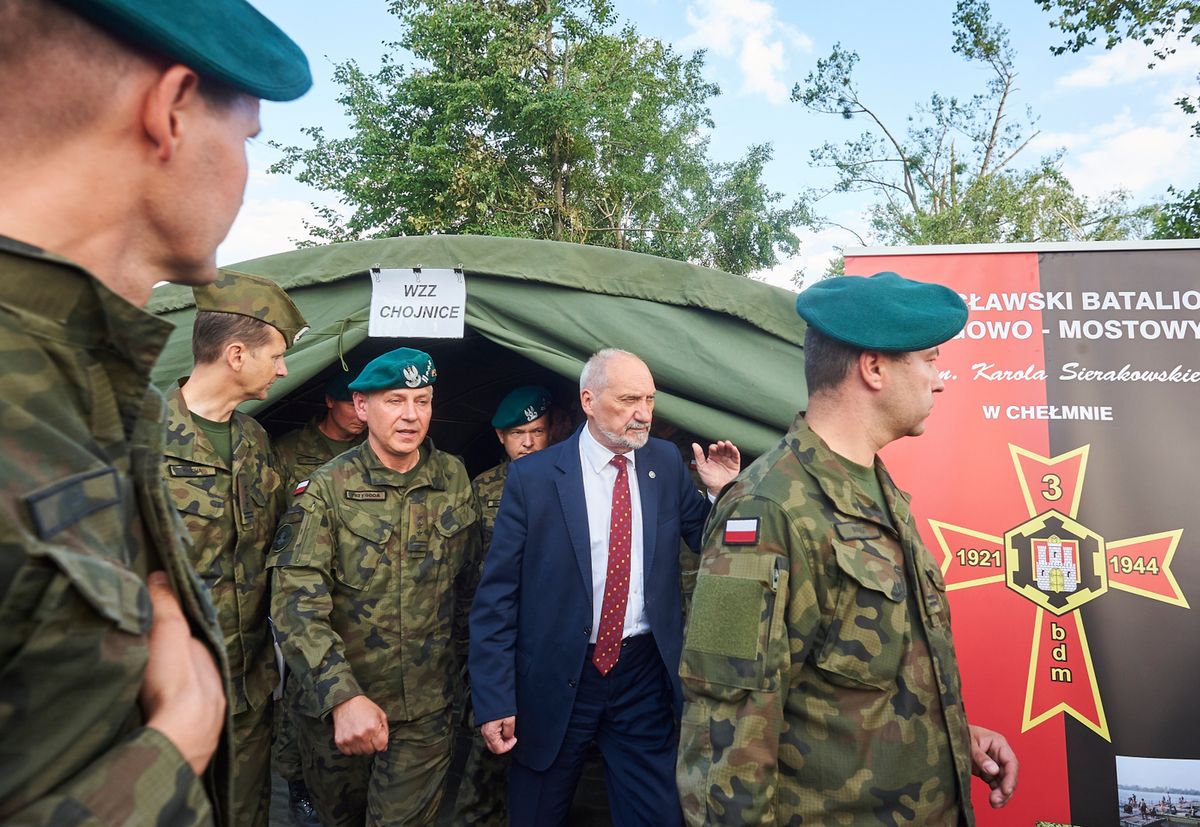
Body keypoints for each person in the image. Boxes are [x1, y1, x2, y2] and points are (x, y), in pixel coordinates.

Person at [0, 0, 309, 824]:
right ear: (169, 111)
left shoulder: (86, 384)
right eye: (247, 140)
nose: (246, 175)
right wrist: (177, 745)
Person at [676, 272, 1019, 825]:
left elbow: (859, 687)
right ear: (875, 367)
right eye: (929, 360)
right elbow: (726, 739)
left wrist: (953, 738)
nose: (940, 381)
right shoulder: (766, 511)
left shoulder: (877, 491)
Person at [469, 348, 740, 826]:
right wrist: (495, 699)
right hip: (556, 676)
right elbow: (497, 598)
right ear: (588, 400)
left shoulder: (664, 463)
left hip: (641, 673)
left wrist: (719, 493)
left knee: (656, 814)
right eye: (630, 399)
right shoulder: (534, 479)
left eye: (651, 400)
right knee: (537, 812)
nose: (644, 414)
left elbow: (709, 542)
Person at [270, 347, 482, 827]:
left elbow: (471, 588)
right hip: (336, 710)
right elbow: (295, 604)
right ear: (362, 408)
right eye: (395, 401)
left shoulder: (453, 477)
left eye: (422, 400)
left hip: (427, 707)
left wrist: (479, 687)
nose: (411, 415)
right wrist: (342, 697)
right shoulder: (326, 489)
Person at [161, 270, 308, 827]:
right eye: (277, 354)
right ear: (237, 354)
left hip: (247, 689)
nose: (285, 368)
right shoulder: (136, 437)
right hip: (169, 691)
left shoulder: (252, 439)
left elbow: (275, 540)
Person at [451, 384, 554, 826]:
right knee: (487, 753)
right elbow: (468, 572)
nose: (528, 442)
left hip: (552, 635)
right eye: (517, 434)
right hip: (500, 638)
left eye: (537, 431)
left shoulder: (567, 477)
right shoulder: (483, 490)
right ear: (500, 438)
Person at [272, 367, 367, 826]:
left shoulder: (375, 452)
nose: (358, 414)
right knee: (302, 691)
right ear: (329, 402)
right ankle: (297, 780)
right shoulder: (290, 452)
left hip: (360, 591)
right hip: (301, 585)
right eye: (349, 402)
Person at [275, 369, 369, 489]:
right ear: (330, 401)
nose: (362, 415)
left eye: (367, 406)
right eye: (353, 406)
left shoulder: (377, 446)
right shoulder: (287, 449)